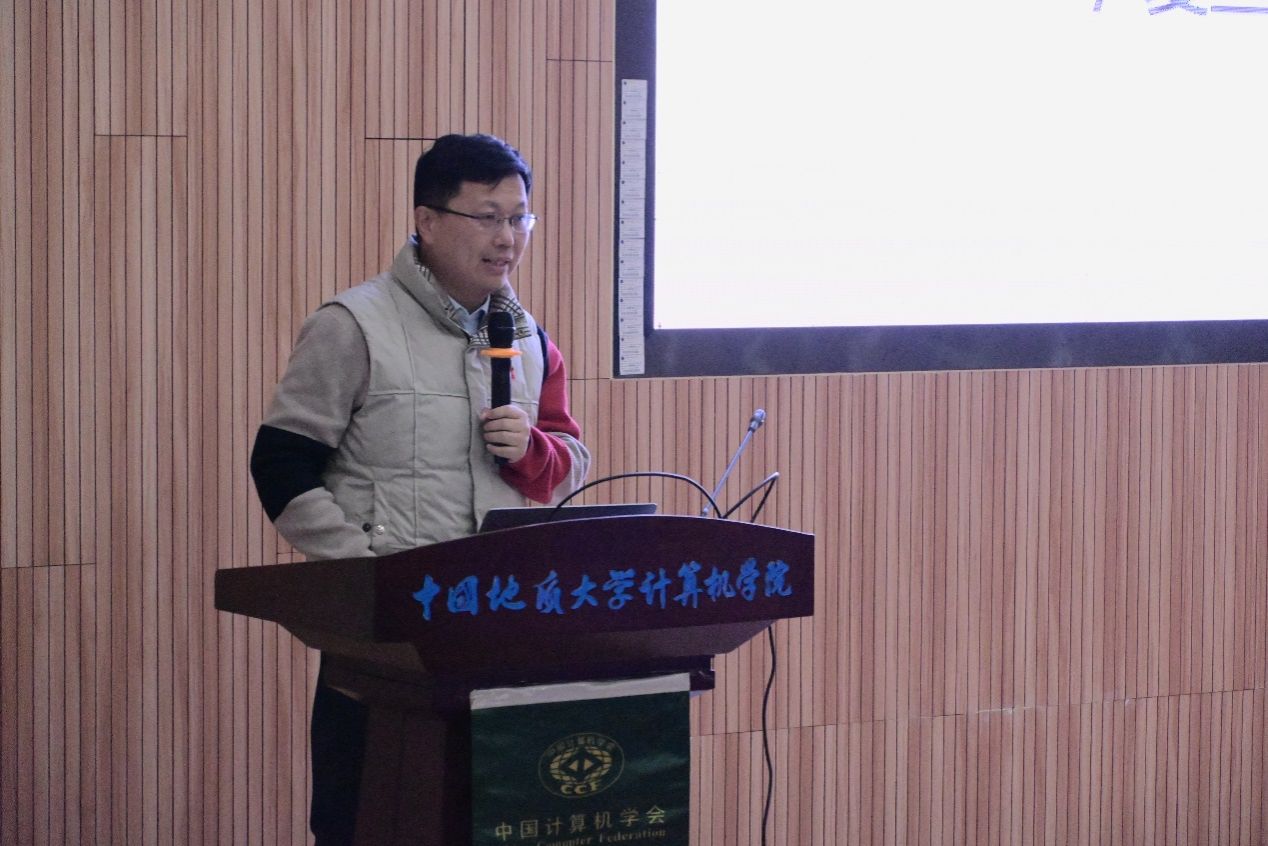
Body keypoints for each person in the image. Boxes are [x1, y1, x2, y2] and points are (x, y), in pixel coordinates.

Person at [249, 133, 591, 844]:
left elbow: (569, 463)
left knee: (495, 825)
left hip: (503, 635)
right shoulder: (352, 326)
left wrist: (532, 448)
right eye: (487, 217)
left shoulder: (530, 340)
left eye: (519, 218)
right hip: (385, 652)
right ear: (427, 221)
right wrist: (368, 576)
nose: (508, 238)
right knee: (371, 824)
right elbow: (280, 465)